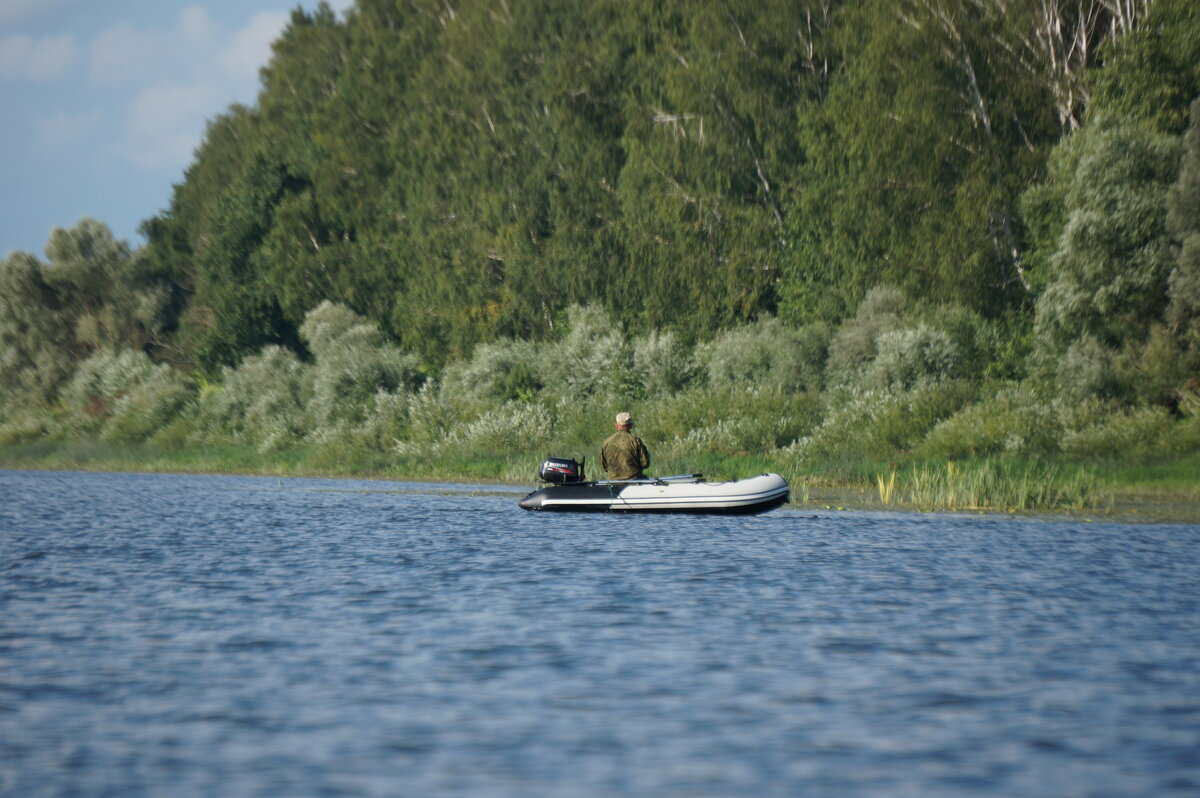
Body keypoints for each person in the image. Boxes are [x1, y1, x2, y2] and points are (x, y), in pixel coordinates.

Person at [600, 411, 650, 480]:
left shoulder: (606, 442)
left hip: (614, 483)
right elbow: (645, 464)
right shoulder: (635, 441)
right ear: (631, 425)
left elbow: (604, 466)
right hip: (634, 481)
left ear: (616, 425)